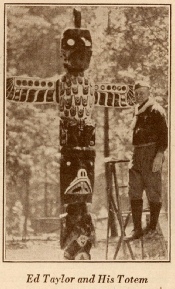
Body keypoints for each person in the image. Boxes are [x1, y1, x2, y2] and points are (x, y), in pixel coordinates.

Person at [124, 81, 168, 241]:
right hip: (137, 154)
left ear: (149, 92)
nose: (138, 96)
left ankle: (152, 226)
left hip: (152, 153)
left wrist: (159, 155)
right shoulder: (137, 111)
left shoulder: (156, 110)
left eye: (142, 93)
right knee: (134, 190)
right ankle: (137, 229)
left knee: (153, 190)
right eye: (136, 93)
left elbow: (164, 135)